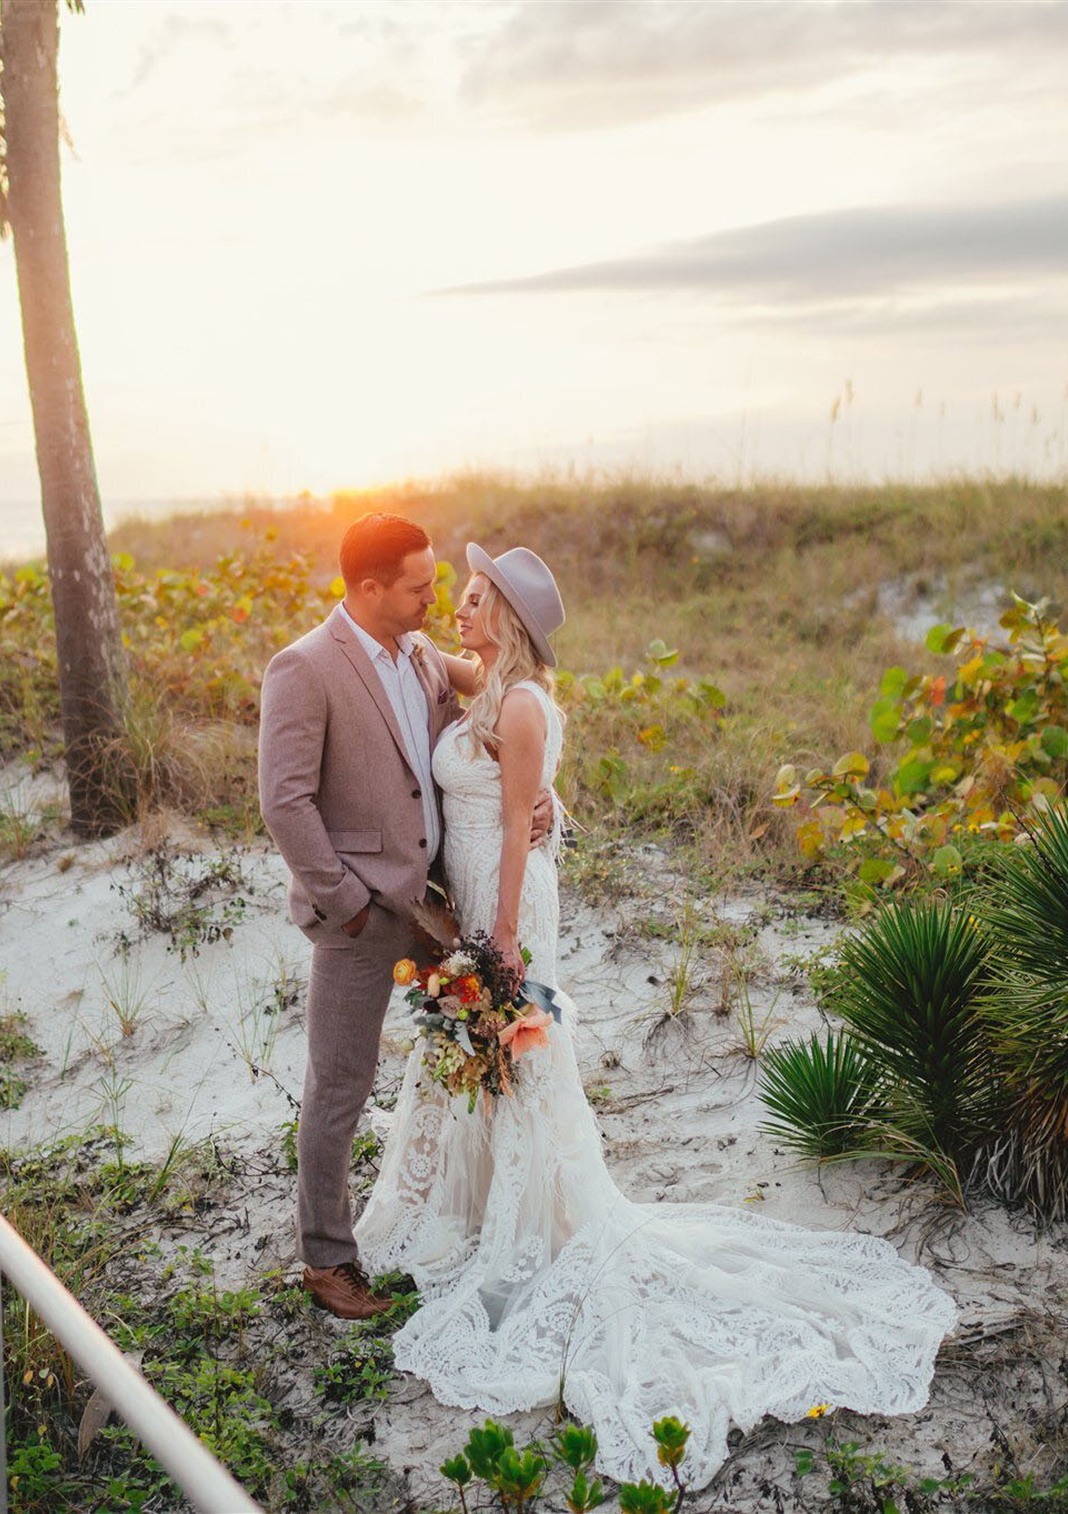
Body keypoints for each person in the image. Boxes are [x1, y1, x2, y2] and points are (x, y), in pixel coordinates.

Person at [356, 544, 957, 1489]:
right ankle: (465, 1215)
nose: (458, 612)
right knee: (474, 1063)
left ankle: (532, 1229)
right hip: (475, 892)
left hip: (509, 903)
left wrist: (504, 937)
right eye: (459, 598)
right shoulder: (486, 679)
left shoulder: (518, 703)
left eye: (474, 602)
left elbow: (519, 820)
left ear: (504, 617)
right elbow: (458, 686)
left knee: (519, 1060)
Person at [258, 513, 546, 1321]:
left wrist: (539, 793)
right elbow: (284, 802)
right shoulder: (305, 667)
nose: (433, 598)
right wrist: (344, 904)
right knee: (340, 1084)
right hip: (358, 916)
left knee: (476, 1056)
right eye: (419, 586)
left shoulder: (420, 655)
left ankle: (480, 1214)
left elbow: (479, 734)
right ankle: (327, 1260)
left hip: (437, 904)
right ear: (369, 587)